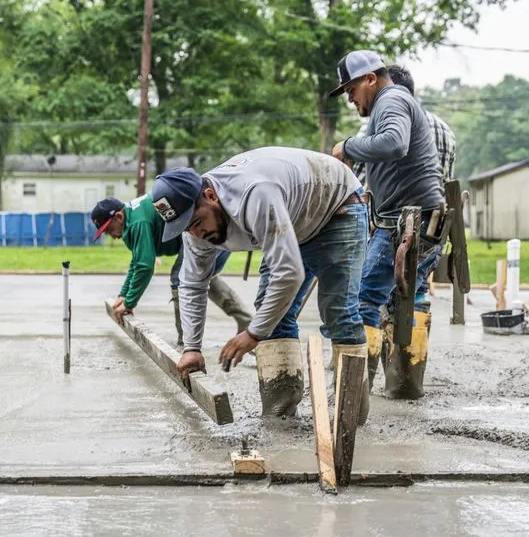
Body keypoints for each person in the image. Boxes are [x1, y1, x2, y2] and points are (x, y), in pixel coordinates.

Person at [158, 147, 370, 420]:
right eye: (187, 228)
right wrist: (192, 348)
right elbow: (193, 284)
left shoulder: (255, 193)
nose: (197, 233)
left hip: (337, 206)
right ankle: (279, 411)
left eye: (197, 222)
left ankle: (351, 416)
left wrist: (253, 333)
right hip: (291, 216)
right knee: (271, 313)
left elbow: (289, 273)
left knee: (338, 311)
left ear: (210, 196)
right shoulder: (195, 227)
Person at [329, 50, 444, 398]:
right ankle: (403, 387)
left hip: (407, 223)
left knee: (363, 297)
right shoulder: (393, 102)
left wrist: (347, 146)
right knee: (398, 301)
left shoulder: (391, 99)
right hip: (413, 220)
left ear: (370, 79)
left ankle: (352, 394)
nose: (349, 98)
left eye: (351, 89)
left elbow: (395, 143)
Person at [91, 195, 252, 348]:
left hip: (210, 226)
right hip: (202, 229)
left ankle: (186, 344)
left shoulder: (136, 222)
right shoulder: (132, 218)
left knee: (180, 278)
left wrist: (129, 303)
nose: (111, 236)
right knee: (201, 276)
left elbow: (145, 267)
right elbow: (137, 261)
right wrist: (123, 295)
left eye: (108, 229)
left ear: (118, 217)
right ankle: (246, 322)